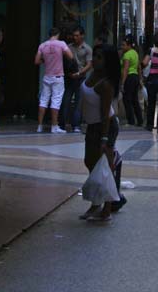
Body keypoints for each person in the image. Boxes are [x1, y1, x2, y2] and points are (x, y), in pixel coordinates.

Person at [79, 43, 120, 223]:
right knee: (90, 162)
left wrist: (104, 139)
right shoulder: (92, 75)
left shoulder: (105, 84)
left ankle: (107, 208)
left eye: (99, 57)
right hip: (92, 126)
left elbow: (105, 115)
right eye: (94, 55)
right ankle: (96, 202)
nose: (94, 59)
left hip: (105, 127)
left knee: (105, 168)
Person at [35, 27, 73, 133]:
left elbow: (37, 61)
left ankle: (39, 126)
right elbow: (70, 56)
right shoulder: (61, 44)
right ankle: (54, 126)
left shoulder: (42, 45)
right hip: (58, 77)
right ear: (58, 34)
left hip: (47, 76)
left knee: (43, 101)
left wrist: (45, 60)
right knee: (55, 101)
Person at [61, 27, 92, 133]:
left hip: (80, 78)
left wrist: (79, 73)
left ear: (82, 36)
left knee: (78, 102)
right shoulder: (68, 47)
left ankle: (76, 125)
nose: (75, 37)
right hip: (69, 77)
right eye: (74, 35)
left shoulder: (87, 49)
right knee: (65, 101)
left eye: (77, 35)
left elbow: (89, 64)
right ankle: (62, 124)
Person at [120, 35, 144, 126]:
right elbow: (139, 67)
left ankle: (131, 121)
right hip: (135, 77)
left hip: (129, 78)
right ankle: (140, 120)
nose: (122, 47)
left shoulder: (126, 55)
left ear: (129, 45)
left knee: (127, 100)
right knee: (135, 100)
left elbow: (125, 69)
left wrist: (122, 83)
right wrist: (140, 79)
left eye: (124, 45)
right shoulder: (135, 53)